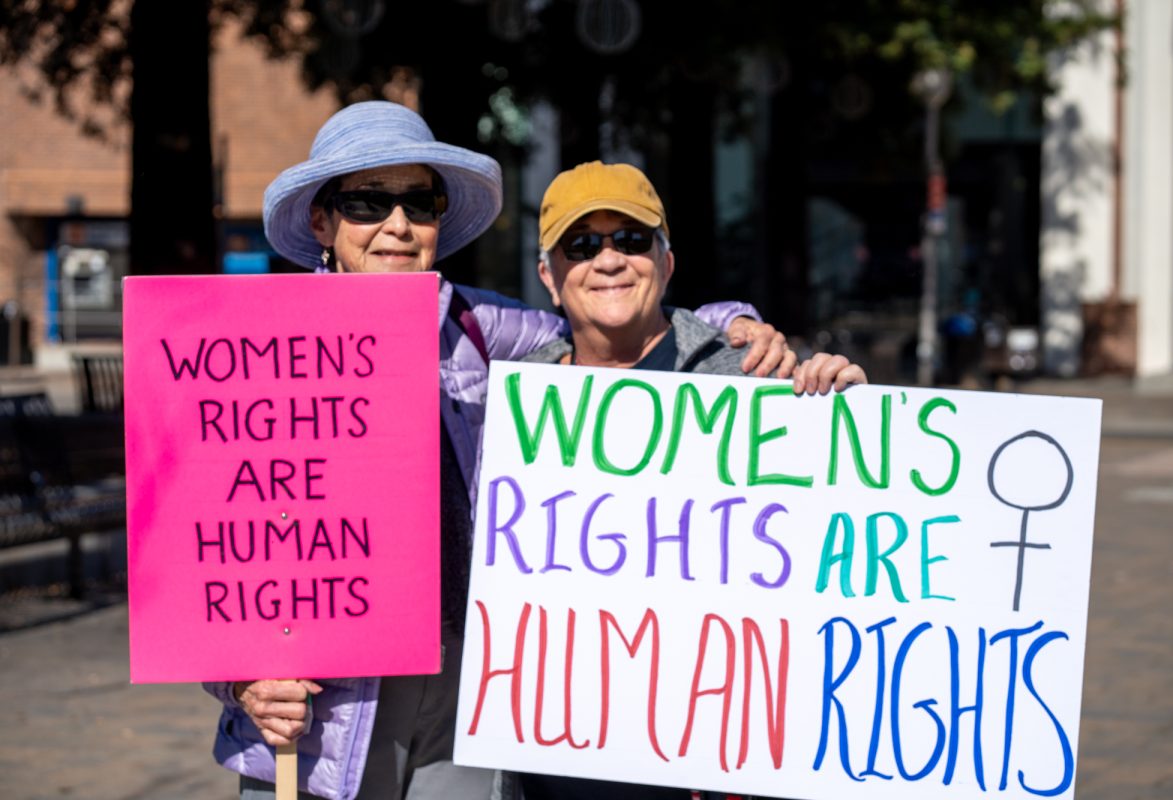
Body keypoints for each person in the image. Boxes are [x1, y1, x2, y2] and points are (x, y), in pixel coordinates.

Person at [203, 102, 797, 800]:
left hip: (467, 696)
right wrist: (239, 676)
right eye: (368, 202)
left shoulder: (477, 326)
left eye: (419, 203)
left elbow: (605, 311)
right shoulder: (252, 349)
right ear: (322, 222)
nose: (397, 224)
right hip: (327, 707)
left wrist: (737, 328)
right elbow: (202, 542)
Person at [518, 161, 867, 800]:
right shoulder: (515, 406)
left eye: (631, 240)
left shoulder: (751, 383)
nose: (609, 260)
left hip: (709, 767)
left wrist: (850, 414)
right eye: (582, 244)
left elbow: (837, 548)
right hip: (557, 766)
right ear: (550, 276)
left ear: (666, 262)